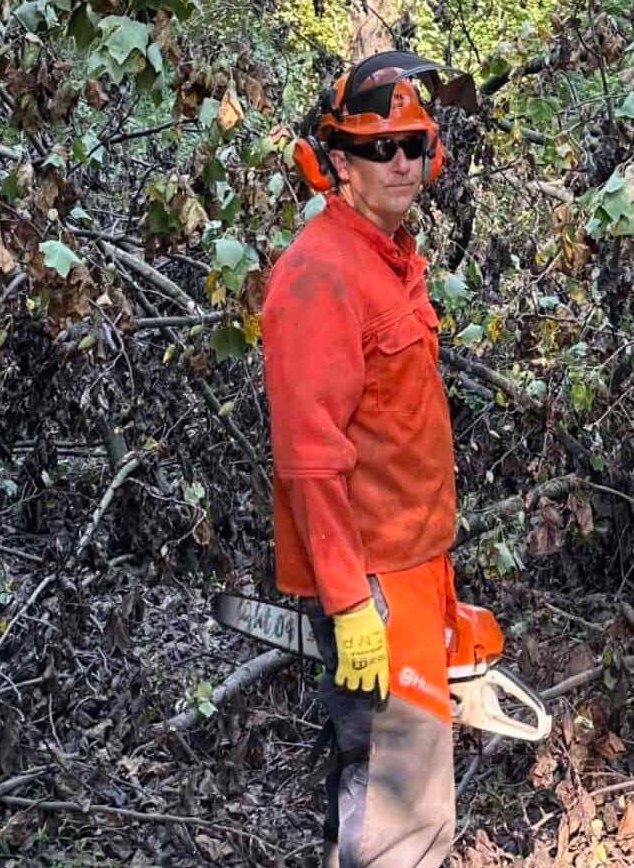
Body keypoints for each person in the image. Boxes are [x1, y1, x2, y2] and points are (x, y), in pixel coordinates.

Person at [259, 50, 475, 868]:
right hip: (374, 585)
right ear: (338, 162)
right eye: (379, 148)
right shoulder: (320, 273)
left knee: (388, 792)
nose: (402, 164)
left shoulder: (389, 257)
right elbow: (311, 462)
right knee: (398, 813)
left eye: (414, 145)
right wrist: (350, 606)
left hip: (414, 573)